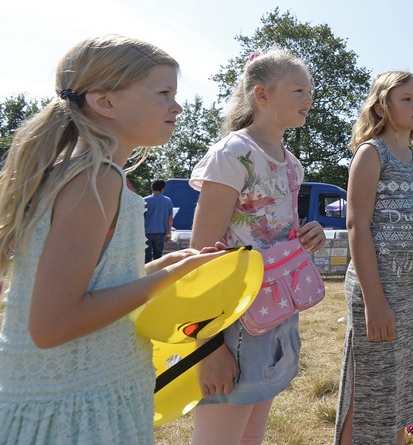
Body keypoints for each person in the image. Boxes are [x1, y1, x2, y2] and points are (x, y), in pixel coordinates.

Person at [0, 35, 224, 444]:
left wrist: (168, 267)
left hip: (85, 395)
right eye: (163, 93)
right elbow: (52, 325)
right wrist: (164, 279)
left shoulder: (88, 175)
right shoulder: (96, 180)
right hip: (74, 413)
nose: (177, 106)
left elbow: (95, 285)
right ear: (105, 102)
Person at [189, 49, 327, 445]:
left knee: (252, 431)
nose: (309, 99)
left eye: (310, 90)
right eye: (299, 89)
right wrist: (208, 347)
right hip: (230, 322)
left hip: (275, 314)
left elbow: (279, 234)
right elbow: (200, 258)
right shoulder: (232, 155)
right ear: (262, 95)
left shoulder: (291, 164)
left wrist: (308, 235)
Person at [335, 71, 413, 444]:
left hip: (412, 288)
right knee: (368, 384)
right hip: (377, 290)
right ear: (383, 106)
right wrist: (374, 301)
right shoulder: (371, 153)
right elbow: (357, 226)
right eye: (408, 99)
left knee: (401, 383)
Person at [143, 179, 174, 262]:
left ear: (151, 187)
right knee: (158, 256)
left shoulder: (144, 200)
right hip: (161, 232)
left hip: (146, 232)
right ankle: (157, 272)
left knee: (146, 256)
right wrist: (168, 232)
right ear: (163, 188)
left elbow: (140, 217)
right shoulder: (168, 201)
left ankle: (147, 273)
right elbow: (170, 218)